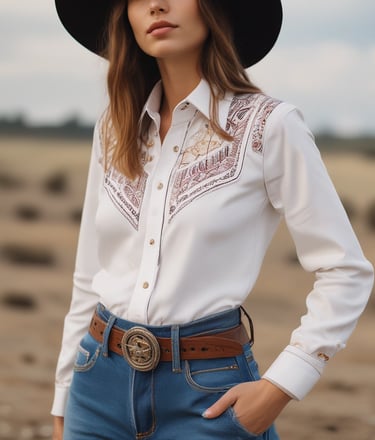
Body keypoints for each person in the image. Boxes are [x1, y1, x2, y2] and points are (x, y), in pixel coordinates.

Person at [52, 0, 374, 439]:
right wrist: (65, 392)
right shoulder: (114, 126)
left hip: (209, 394)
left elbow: (345, 270)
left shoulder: (270, 126)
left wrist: (281, 386)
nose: (157, 5)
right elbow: (90, 274)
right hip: (95, 386)